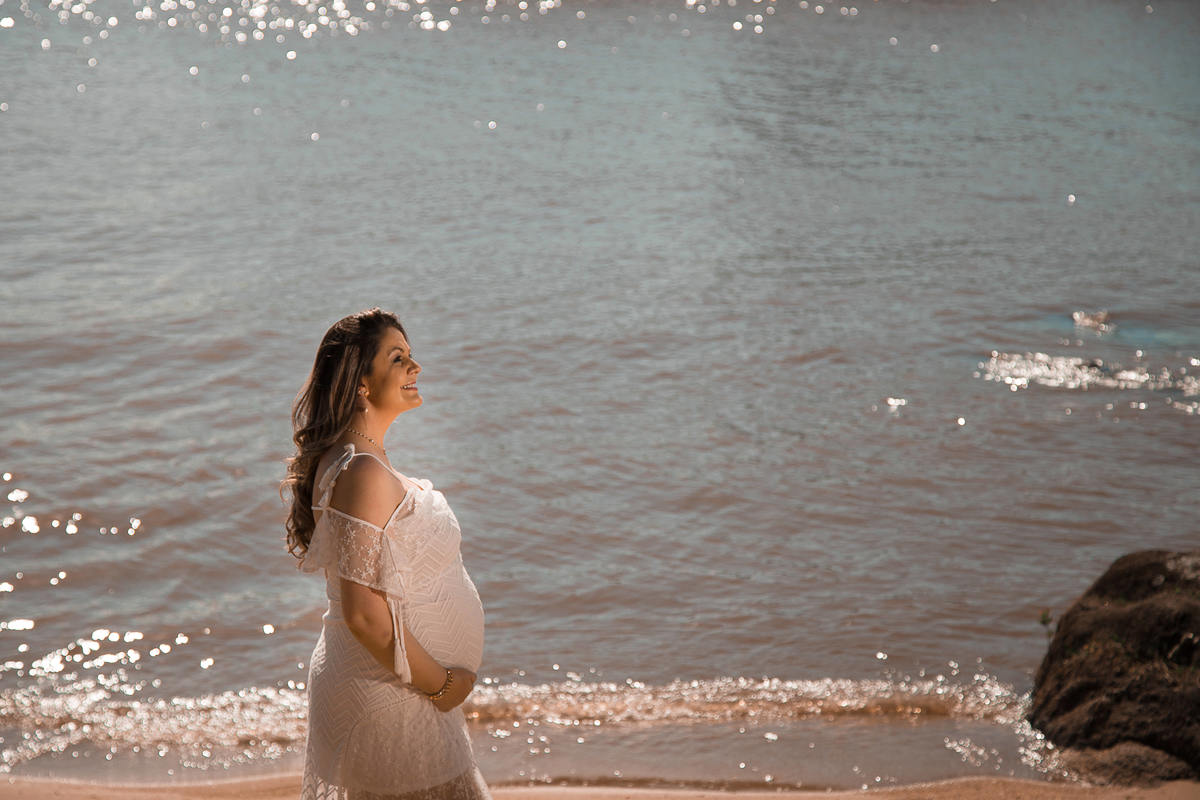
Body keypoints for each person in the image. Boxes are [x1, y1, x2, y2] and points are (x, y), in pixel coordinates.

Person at [282, 308, 491, 800]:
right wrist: (442, 686)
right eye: (398, 358)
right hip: (390, 695)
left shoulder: (355, 461)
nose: (415, 368)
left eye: (412, 356)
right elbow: (362, 613)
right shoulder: (363, 472)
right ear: (360, 381)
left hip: (389, 685)